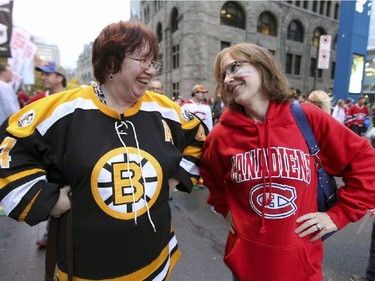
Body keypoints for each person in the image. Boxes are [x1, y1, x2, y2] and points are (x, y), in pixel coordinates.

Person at [0, 20, 207, 281]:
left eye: (154, 62)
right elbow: (8, 148)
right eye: (143, 60)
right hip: (88, 269)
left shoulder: (165, 109)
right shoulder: (60, 111)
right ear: (111, 63)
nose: (151, 71)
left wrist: (176, 179)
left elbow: (199, 137)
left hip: (157, 261)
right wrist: (44, 199)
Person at [200, 43, 375, 281]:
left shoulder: (306, 118)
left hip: (301, 268)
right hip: (247, 267)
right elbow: (211, 179)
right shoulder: (221, 135)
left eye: (234, 67)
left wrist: (338, 215)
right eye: (223, 75)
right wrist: (224, 207)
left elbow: (366, 162)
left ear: (263, 66)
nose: (228, 80)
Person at [30, 61, 67, 248]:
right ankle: (49, 233)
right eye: (41, 74)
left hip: (69, 159)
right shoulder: (36, 100)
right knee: (53, 198)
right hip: (45, 161)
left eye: (47, 74)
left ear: (59, 77)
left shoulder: (73, 99)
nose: (43, 77)